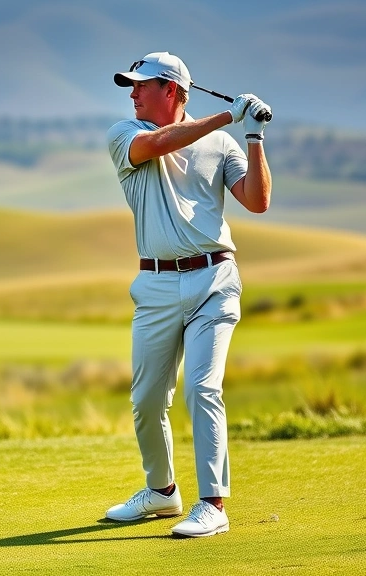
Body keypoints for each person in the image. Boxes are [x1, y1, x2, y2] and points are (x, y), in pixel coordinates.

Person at [103, 51, 272, 538]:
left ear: (173, 90)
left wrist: (253, 136)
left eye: (142, 85)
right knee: (147, 399)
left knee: (203, 387)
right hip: (155, 284)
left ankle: (213, 505)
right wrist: (228, 115)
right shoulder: (126, 135)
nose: (133, 94)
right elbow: (161, 143)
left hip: (214, 281)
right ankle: (162, 492)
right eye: (131, 86)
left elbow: (257, 201)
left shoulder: (221, 144)